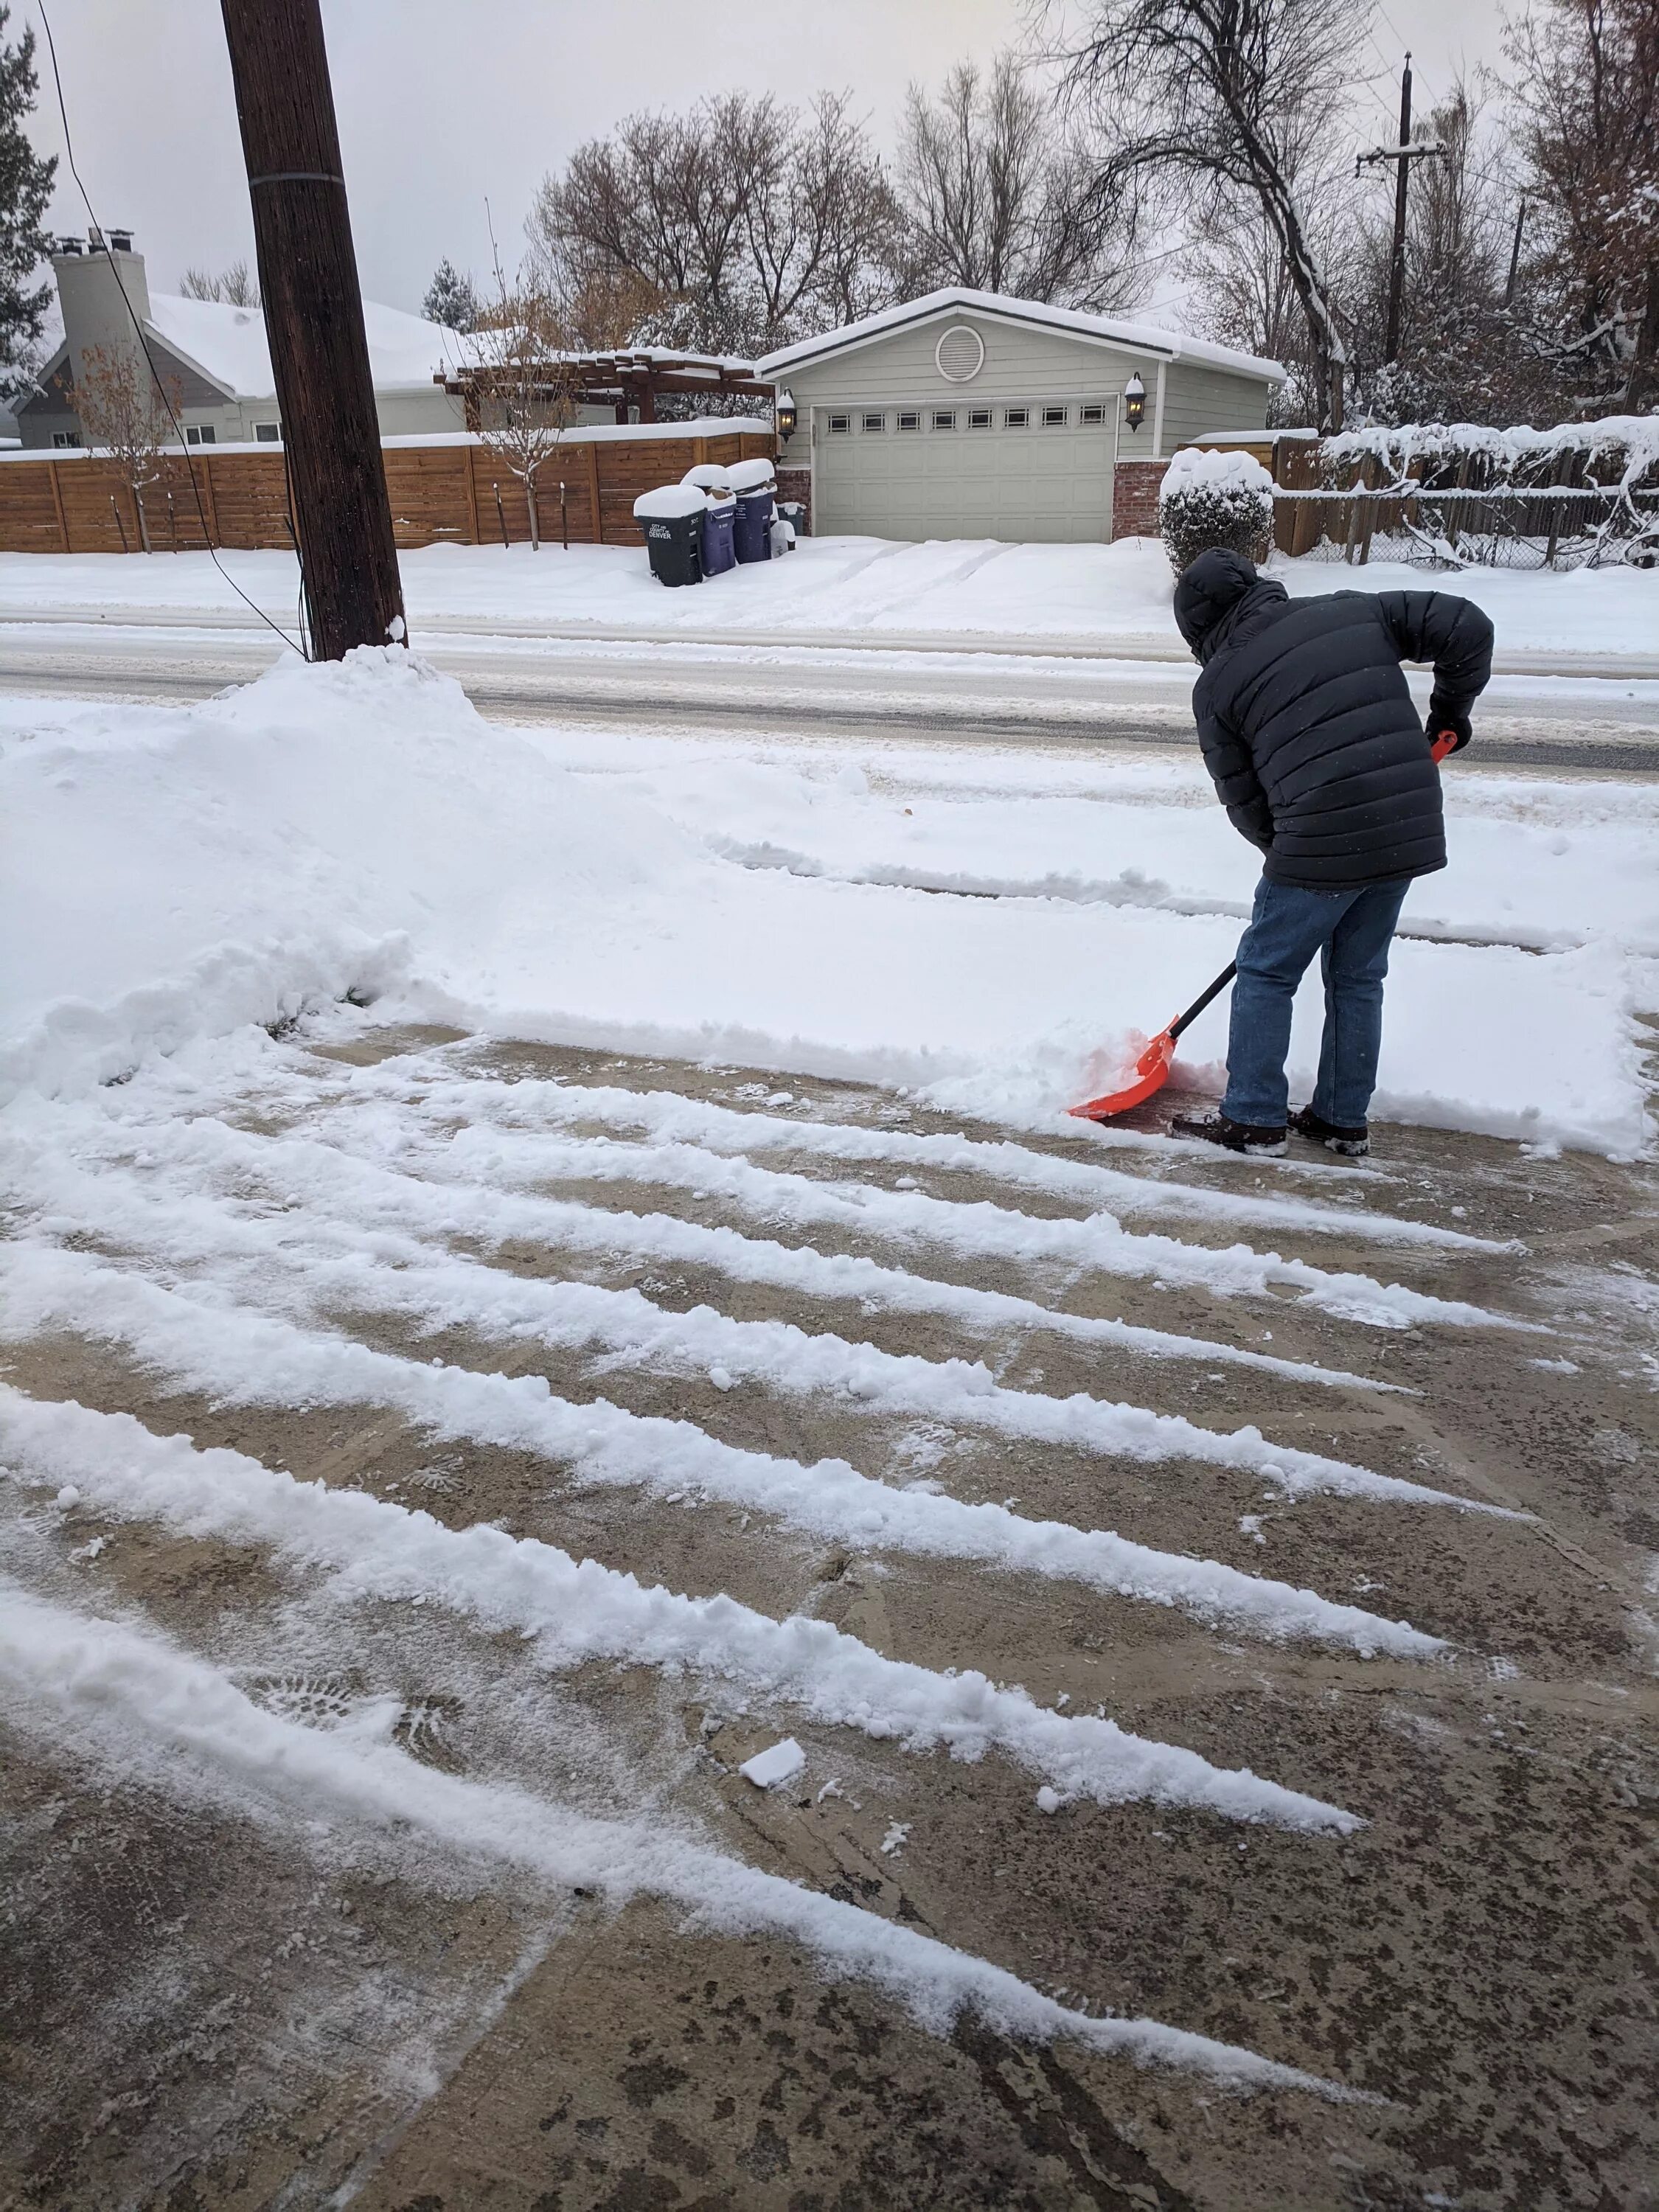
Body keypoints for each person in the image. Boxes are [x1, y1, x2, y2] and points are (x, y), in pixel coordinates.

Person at [1168, 548, 1493, 1158]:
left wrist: (1304, 860)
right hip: (1406, 821)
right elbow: (1468, 626)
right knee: (1357, 976)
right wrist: (1451, 712)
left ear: (1198, 630)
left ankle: (1254, 1118)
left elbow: (1245, 802)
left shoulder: (1216, 687)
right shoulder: (1352, 610)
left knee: (1267, 970)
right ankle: (1342, 1119)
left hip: (1319, 838)